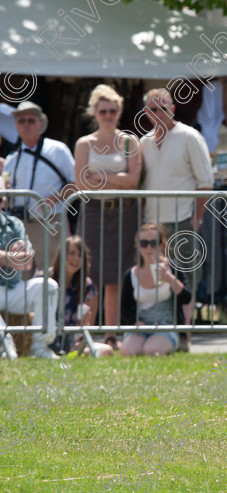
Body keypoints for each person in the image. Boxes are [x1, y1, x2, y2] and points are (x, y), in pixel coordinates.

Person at [140, 88, 214, 350]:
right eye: (151, 109)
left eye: (162, 108)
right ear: (146, 113)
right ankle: (160, 332)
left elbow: (205, 183)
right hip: (152, 223)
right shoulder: (144, 142)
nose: (157, 113)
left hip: (183, 218)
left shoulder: (190, 136)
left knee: (185, 279)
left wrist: (197, 218)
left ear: (172, 109)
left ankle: (184, 334)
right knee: (153, 277)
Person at [74, 84, 142, 352]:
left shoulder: (129, 141)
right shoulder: (84, 143)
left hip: (123, 212)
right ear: (95, 112)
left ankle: (111, 333)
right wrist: (116, 180)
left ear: (120, 112)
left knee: (115, 275)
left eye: (113, 110)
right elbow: (80, 181)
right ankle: (86, 331)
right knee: (89, 273)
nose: (108, 115)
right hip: (92, 212)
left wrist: (99, 178)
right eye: (103, 111)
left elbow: (134, 180)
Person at [4, 101, 75, 265]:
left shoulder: (57, 150)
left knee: (52, 276)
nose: (26, 125)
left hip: (51, 222)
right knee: (23, 280)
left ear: (41, 124)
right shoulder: (11, 159)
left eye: (31, 120)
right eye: (21, 121)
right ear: (16, 125)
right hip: (21, 227)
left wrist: (52, 199)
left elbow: (75, 183)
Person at [0, 178, 60, 358]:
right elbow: (19, 260)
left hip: (13, 288)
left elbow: (27, 262)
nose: (1, 201)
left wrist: (2, 257)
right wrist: (11, 258)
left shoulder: (14, 224)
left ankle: (40, 346)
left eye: (2, 196)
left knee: (48, 286)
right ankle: (4, 344)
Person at [120, 223, 191, 356]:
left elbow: (187, 298)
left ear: (162, 244)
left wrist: (170, 279)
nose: (149, 248)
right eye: (144, 243)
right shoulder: (131, 274)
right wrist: (134, 322)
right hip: (140, 327)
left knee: (151, 350)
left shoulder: (173, 268)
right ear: (137, 245)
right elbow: (123, 306)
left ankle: (175, 343)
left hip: (167, 327)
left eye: (154, 243)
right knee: (128, 351)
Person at [47, 236, 114, 357]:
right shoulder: (46, 279)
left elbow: (87, 329)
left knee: (107, 351)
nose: (76, 259)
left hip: (72, 340)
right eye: (72, 253)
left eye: (80, 255)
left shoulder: (86, 284)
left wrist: (85, 325)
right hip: (47, 339)